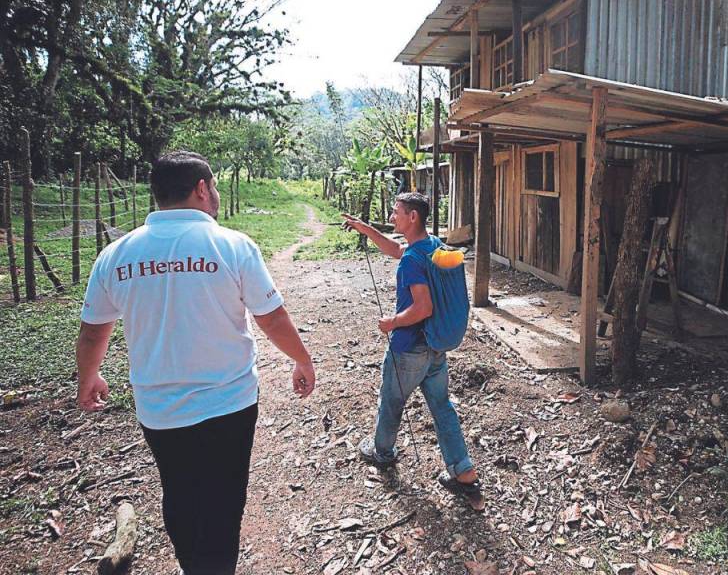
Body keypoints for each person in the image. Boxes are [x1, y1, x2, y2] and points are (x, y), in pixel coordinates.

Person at [75, 151, 316, 575]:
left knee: (179, 491)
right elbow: (271, 317)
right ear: (202, 188)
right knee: (225, 496)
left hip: (159, 408)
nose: (217, 195)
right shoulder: (232, 246)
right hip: (229, 403)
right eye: (215, 187)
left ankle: (193, 566)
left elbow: (94, 329)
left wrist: (89, 376)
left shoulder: (117, 254)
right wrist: (301, 358)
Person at [342, 192, 482, 508]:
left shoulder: (411, 262)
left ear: (412, 216)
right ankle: (464, 472)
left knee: (391, 401)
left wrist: (391, 322)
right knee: (442, 406)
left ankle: (383, 452)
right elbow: (395, 248)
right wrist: (365, 228)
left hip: (409, 349)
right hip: (434, 348)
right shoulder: (432, 247)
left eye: (396, 213)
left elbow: (423, 307)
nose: (392, 218)